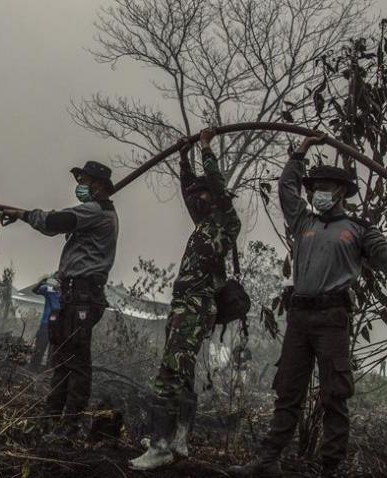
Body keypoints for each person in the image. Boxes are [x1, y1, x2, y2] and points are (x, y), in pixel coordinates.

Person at [230, 136, 387, 477]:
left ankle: (329, 469)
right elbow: (286, 189)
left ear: (340, 192)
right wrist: (300, 152)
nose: (316, 193)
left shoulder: (358, 230)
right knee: (287, 391)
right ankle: (267, 461)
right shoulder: (303, 223)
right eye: (314, 188)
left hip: (332, 318)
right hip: (299, 316)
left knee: (334, 395)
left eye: (323, 188)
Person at [129, 128, 241, 470]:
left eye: (204, 195)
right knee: (184, 373)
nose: (198, 199)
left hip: (195, 307)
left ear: (217, 198)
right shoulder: (204, 224)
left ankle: (161, 446)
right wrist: (183, 157)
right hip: (186, 308)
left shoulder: (225, 222)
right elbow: (189, 189)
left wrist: (206, 148)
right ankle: (178, 439)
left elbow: (215, 187)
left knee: (168, 374)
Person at [3, 160, 119, 439]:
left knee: (77, 362)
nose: (80, 186)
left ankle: (69, 426)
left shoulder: (97, 212)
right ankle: (51, 418)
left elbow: (54, 223)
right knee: (62, 360)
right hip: (73, 295)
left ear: (99, 186)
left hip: (83, 296)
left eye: (85, 181)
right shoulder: (95, 212)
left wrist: (22, 214)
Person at [30, 275, 61, 371]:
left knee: (53, 353)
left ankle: (48, 373)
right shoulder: (49, 289)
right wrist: (43, 280)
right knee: (39, 349)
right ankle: (32, 370)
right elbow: (35, 290)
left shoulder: (67, 294)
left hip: (58, 328)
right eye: (57, 279)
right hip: (46, 325)